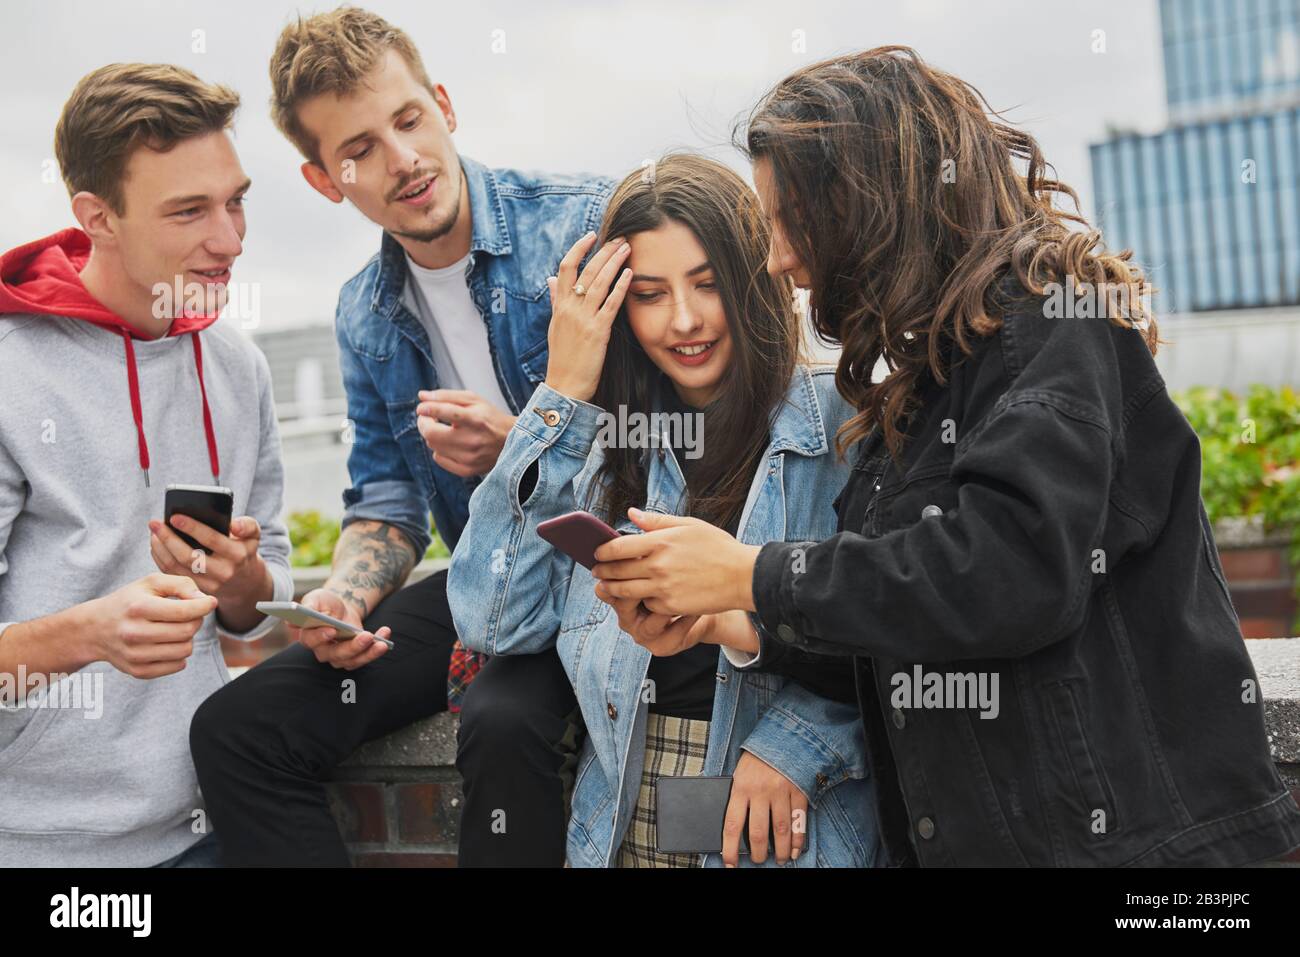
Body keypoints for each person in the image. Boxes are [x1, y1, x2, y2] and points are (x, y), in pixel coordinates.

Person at [588, 47, 1300, 867]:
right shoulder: (933, 381)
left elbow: (1009, 571)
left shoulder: (1053, 328)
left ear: (863, 203)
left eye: (789, 220)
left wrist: (751, 573)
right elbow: (914, 621)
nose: (778, 258)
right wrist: (739, 622)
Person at [189, 6, 615, 866]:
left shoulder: (583, 224)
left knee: (501, 721)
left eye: (409, 120)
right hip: (482, 584)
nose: (403, 160)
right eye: (359, 151)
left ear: (444, 106)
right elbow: (385, 499)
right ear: (324, 181)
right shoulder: (363, 311)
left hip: (613, 569)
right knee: (237, 728)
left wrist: (521, 450)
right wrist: (344, 595)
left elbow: (683, 445)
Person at [449, 153, 879, 867]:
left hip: (787, 821)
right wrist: (561, 393)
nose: (684, 319)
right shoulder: (600, 446)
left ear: (755, 278)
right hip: (627, 818)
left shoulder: (846, 420)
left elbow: (901, 625)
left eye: (708, 284)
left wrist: (800, 744)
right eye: (649, 294)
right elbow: (492, 618)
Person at [0, 63, 293, 867]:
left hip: (208, 823)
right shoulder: (10, 373)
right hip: (41, 851)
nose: (229, 240)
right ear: (98, 217)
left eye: (235, 201)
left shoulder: (239, 365)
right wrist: (85, 634)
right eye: (189, 211)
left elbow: (260, 613)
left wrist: (241, 585)